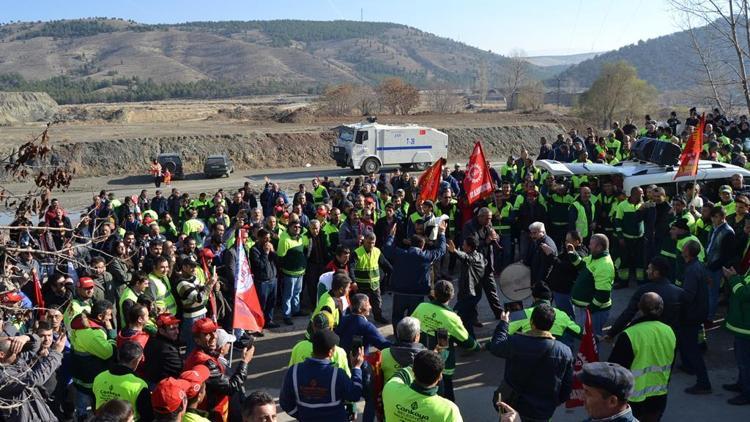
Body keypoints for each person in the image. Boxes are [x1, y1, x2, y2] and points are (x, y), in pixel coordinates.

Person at [487, 303, 574, 422]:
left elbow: (496, 346)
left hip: (512, 406)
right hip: (542, 412)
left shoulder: (516, 342)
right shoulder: (565, 352)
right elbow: (566, 388)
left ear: (532, 322)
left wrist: (503, 323)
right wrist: (551, 403)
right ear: (551, 325)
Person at [609, 292, 676, 421]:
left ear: (640, 308)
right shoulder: (669, 331)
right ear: (661, 308)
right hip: (659, 394)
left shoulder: (630, 334)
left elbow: (615, 369)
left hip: (633, 398)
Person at [411, 280, 481, 401]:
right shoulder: (452, 317)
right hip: (442, 364)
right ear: (451, 296)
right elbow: (465, 340)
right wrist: (477, 346)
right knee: (446, 394)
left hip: (419, 358)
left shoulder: (422, 307)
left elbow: (411, 326)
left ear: (435, 293)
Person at [279, 329, 365, 421]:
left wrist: (301, 415)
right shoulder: (337, 374)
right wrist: (356, 368)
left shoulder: (293, 371)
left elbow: (285, 402)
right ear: (331, 352)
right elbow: (354, 395)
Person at [183, 317, 254, 421]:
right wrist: (245, 361)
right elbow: (231, 387)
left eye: (214, 331)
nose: (213, 336)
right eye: (207, 334)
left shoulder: (203, 355)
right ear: (197, 340)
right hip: (212, 413)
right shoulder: (204, 361)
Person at [384, 219, 447, 331]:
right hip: (417, 294)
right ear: (422, 246)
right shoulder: (426, 256)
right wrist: (442, 233)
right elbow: (441, 250)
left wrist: (391, 236)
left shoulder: (400, 253)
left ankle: (398, 336)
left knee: (397, 316)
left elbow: (388, 249)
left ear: (410, 244)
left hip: (400, 292)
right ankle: (411, 336)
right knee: (414, 318)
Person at [608, 256, 685, 338]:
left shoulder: (644, 290)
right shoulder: (679, 292)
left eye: (649, 269)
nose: (647, 271)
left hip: (649, 335)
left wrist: (612, 333)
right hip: (671, 336)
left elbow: (628, 314)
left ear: (656, 273)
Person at [0, 333, 66, 422]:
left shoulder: (14, 360)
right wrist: (56, 353)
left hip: (43, 414)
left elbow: (36, 344)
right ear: (2, 354)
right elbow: (34, 379)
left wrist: (25, 337)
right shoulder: (3, 377)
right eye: (14, 349)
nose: (19, 352)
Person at [382, 350, 463, 422]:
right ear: (440, 377)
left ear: (413, 370)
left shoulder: (390, 389)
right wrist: (432, 360)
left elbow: (401, 374)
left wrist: (424, 361)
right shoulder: (448, 411)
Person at [70, 299, 117, 420]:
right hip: (91, 380)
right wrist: (112, 334)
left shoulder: (82, 325)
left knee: (81, 406)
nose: (111, 317)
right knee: (97, 410)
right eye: (109, 315)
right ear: (100, 316)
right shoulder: (92, 333)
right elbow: (108, 352)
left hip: (80, 377)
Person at [679, 240, 712, 395]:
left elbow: (688, 295)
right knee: (687, 343)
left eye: (684, 248)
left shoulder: (692, 270)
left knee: (692, 349)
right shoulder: (697, 266)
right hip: (697, 312)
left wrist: (673, 292)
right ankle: (688, 366)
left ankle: (703, 383)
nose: (681, 249)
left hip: (691, 314)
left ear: (688, 253)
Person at [508, 283, 581, 349]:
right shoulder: (562, 315)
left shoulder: (521, 314)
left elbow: (504, 334)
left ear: (534, 298)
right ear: (550, 299)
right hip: (556, 356)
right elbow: (580, 333)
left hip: (528, 357)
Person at [461, 207, 504, 319]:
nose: (489, 221)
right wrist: (486, 242)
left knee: (492, 291)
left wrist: (496, 237)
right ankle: (473, 318)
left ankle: (499, 314)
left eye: (490, 219)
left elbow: (495, 238)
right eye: (487, 219)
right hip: (474, 266)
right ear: (480, 217)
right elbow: (469, 245)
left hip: (487, 264)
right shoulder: (469, 226)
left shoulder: (488, 225)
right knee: (475, 294)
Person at [92, 341, 152, 421]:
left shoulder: (99, 377)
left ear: (118, 356)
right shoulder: (139, 386)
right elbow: (147, 416)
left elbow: (94, 405)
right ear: (136, 361)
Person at [571, 233, 616, 337]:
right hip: (588, 310)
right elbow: (582, 265)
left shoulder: (604, 266)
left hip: (595, 313)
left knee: (592, 341)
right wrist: (572, 254)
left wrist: (590, 310)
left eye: (591, 244)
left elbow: (603, 295)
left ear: (599, 247)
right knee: (587, 340)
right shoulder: (594, 257)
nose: (589, 246)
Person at [721, 264, 750, 405]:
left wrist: (732, 278)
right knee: (741, 359)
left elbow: (744, 294)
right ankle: (742, 384)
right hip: (743, 325)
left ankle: (747, 393)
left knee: (745, 362)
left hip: (747, 327)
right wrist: (737, 277)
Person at [447, 235, 486, 337]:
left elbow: (466, 258)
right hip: (473, 293)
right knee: (468, 317)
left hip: (468, 294)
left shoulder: (471, 259)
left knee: (456, 315)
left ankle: (470, 341)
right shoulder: (480, 256)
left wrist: (454, 251)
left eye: (464, 245)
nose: (462, 246)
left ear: (469, 247)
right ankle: (469, 341)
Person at [351, 232, 392, 324]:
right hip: (361, 286)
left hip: (374, 285)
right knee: (360, 305)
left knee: (377, 303)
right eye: (369, 242)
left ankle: (378, 317)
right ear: (364, 240)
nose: (371, 245)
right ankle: (358, 321)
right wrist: (353, 281)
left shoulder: (377, 251)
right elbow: (351, 268)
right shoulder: (357, 253)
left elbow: (385, 264)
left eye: (373, 243)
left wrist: (393, 273)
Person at [705, 205, 736, 321]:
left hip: (715, 268)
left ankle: (709, 318)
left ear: (724, 217)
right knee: (708, 293)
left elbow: (726, 256)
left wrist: (712, 266)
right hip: (709, 264)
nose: (713, 219)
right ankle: (708, 314)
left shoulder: (728, 232)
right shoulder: (714, 227)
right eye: (712, 217)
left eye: (716, 217)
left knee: (712, 294)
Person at [547, 230, 587, 318]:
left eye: (568, 241)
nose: (566, 243)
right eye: (565, 240)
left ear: (577, 242)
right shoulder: (569, 251)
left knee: (567, 316)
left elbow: (564, 266)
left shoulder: (579, 254)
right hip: (559, 289)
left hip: (564, 290)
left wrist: (551, 255)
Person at [277, 216, 308, 325]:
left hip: (300, 272)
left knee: (297, 293)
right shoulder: (284, 240)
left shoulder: (301, 237)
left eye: (299, 227)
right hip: (289, 273)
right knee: (288, 295)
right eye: (294, 227)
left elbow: (306, 230)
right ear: (289, 227)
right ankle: (287, 315)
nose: (297, 229)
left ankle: (296, 310)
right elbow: (280, 257)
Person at [379, 316, 426, 382]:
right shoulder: (426, 358)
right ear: (416, 337)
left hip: (389, 391)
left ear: (398, 334)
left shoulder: (383, 354)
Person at [249, 228, 279, 329]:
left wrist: (273, 251)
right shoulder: (254, 250)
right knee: (262, 305)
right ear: (259, 238)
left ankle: (269, 321)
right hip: (262, 282)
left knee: (271, 303)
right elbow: (260, 265)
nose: (267, 241)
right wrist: (265, 253)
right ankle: (259, 324)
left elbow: (277, 260)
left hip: (272, 279)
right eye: (265, 238)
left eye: (269, 238)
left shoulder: (269, 247)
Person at [144, 313, 184, 386]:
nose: (177, 332)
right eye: (172, 329)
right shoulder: (168, 350)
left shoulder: (152, 340)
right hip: (162, 387)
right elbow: (182, 370)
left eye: (177, 327)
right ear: (162, 331)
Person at [524, 222, 557, 286]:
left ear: (543, 232)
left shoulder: (546, 245)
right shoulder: (537, 241)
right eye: (531, 233)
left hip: (542, 282)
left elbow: (546, 267)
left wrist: (539, 282)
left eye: (535, 233)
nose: (532, 236)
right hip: (536, 278)